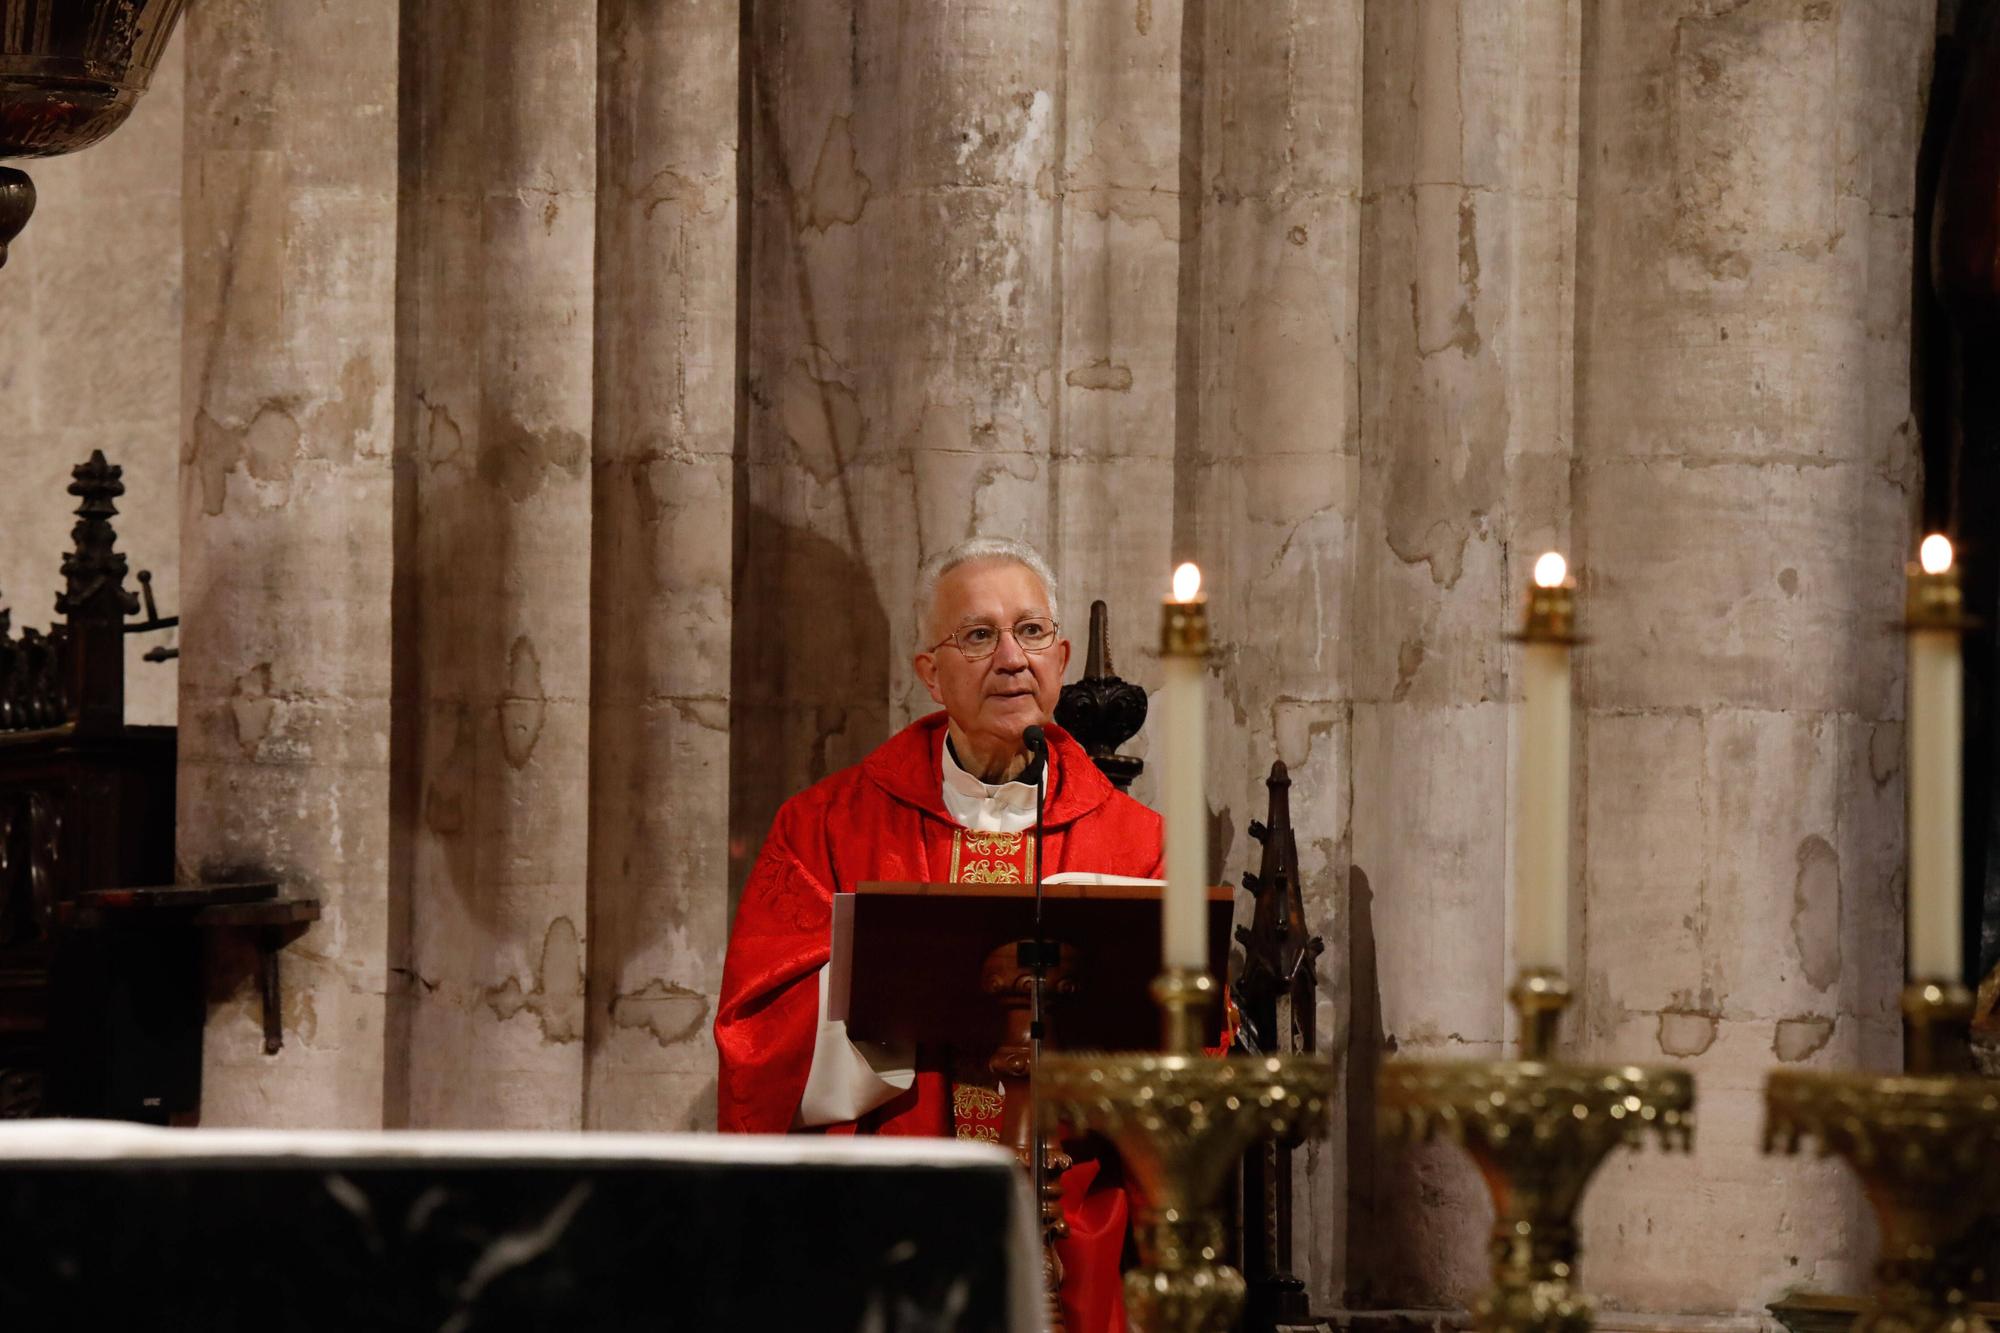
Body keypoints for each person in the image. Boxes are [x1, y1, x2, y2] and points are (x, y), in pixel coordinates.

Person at [715, 536, 1164, 1333]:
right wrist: (902, 991)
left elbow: (1189, 1042)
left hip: (1070, 1216)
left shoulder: (1133, 840)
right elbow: (759, 1037)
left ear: (1061, 658)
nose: (1012, 659)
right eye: (979, 635)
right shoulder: (826, 826)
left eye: (1031, 633)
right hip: (886, 1210)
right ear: (930, 671)